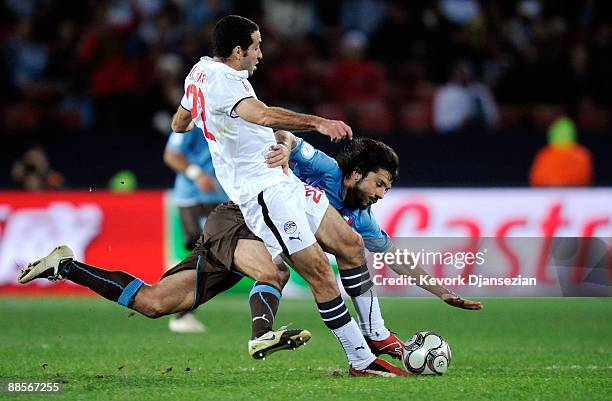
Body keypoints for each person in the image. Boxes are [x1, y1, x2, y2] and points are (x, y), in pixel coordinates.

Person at [169, 15, 406, 377]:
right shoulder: (223, 83)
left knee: (351, 243)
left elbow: (178, 123)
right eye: (256, 46)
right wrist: (317, 122)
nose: (261, 53)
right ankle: (362, 361)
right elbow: (261, 116)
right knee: (320, 275)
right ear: (237, 51)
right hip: (264, 194)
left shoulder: (199, 72)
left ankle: (377, 334)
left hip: (283, 181)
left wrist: (210, 124)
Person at [17, 202, 310, 360]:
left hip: (232, 228)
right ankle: (261, 336)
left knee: (152, 303)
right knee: (275, 272)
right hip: (237, 219)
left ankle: (66, 267)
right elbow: (178, 135)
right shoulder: (315, 172)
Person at [163, 126, 229, 333]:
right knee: (198, 251)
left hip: (220, 194)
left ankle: (183, 308)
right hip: (192, 196)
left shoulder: (227, 114)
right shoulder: (191, 120)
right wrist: (197, 174)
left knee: (217, 254)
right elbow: (171, 155)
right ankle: (178, 309)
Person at [529, 116, 593, 187]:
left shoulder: (581, 154)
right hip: (549, 192)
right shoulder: (545, 154)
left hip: (573, 193)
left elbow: (585, 179)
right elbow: (537, 179)